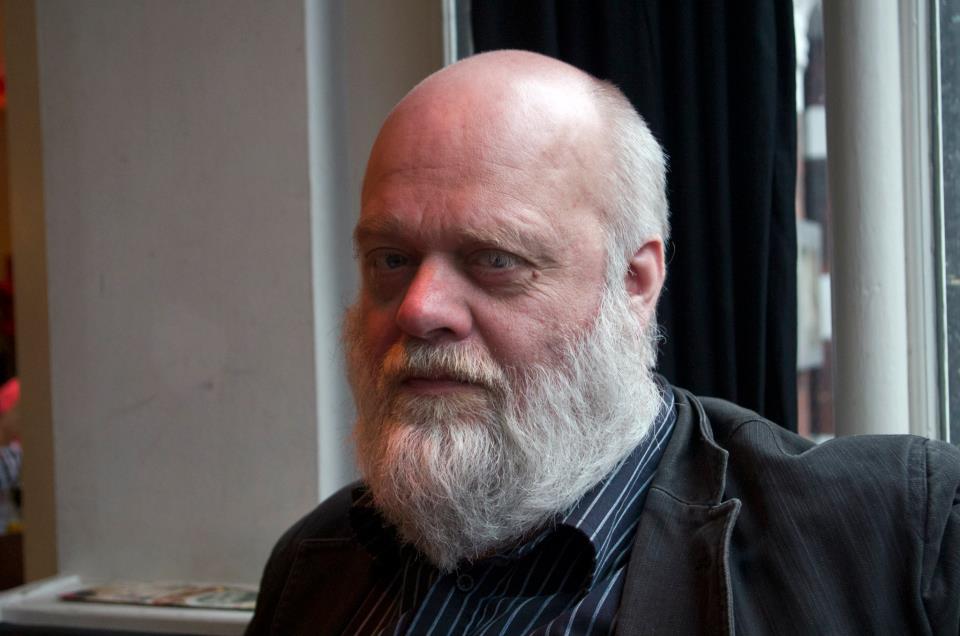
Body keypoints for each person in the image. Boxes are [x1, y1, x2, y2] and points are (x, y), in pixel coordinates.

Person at [246, 51, 960, 635]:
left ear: (634, 281)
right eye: (390, 260)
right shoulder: (317, 561)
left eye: (495, 260)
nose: (420, 309)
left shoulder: (891, 538)